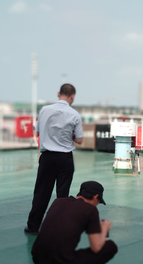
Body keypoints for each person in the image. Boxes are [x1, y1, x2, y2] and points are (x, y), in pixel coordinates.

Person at [31, 181, 118, 264]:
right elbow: (96, 247)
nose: (97, 204)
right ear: (96, 196)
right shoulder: (90, 210)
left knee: (60, 248)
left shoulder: (58, 201)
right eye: (98, 201)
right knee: (110, 247)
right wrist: (105, 229)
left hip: (40, 262)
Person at [25, 83, 83, 236]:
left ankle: (33, 226)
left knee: (41, 193)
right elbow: (80, 140)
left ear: (58, 94)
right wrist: (70, 136)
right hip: (65, 159)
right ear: (73, 97)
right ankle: (60, 227)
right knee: (62, 195)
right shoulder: (75, 115)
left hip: (48, 158)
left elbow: (37, 131)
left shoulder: (44, 110)